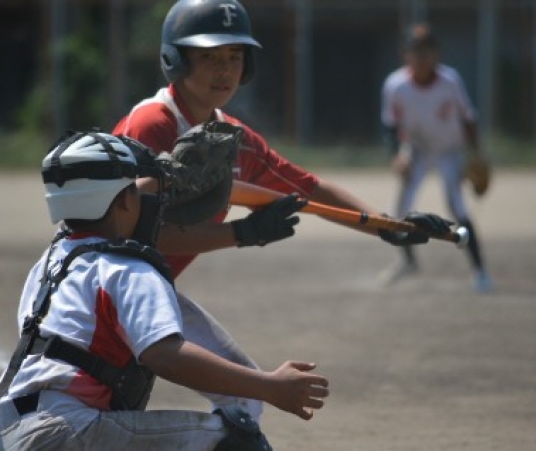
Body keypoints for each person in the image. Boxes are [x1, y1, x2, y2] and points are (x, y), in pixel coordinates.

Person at [113, 0, 452, 425]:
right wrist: (243, 233)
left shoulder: (232, 139)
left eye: (234, 56)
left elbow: (310, 190)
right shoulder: (152, 124)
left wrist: (388, 226)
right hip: (103, 288)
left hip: (147, 289)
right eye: (210, 56)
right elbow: (132, 234)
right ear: (175, 60)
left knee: (242, 402)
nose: (224, 69)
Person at [0, 130, 329, 450]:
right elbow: (166, 356)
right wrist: (270, 386)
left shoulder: (51, 262)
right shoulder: (128, 269)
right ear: (124, 201)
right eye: (135, 190)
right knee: (236, 440)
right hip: (59, 433)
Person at [379, 22, 494, 292]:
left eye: (427, 50)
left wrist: (475, 154)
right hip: (417, 149)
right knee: (399, 210)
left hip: (448, 151)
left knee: (458, 209)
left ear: (436, 53)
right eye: (415, 50)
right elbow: (390, 126)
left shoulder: (449, 81)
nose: (421, 56)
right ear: (405, 54)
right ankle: (408, 262)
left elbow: (468, 119)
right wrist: (397, 156)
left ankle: (480, 271)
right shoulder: (396, 85)